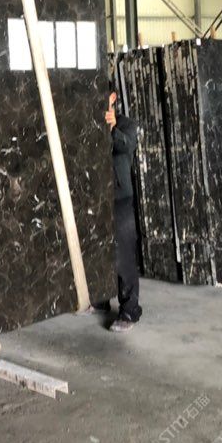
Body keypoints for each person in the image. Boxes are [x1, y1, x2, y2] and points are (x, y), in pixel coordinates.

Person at [89, 92, 143, 332]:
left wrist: (111, 129)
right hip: (97, 199)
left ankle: (130, 311)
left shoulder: (126, 125)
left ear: (113, 98)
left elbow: (126, 146)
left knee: (124, 257)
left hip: (120, 198)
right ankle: (100, 300)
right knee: (99, 250)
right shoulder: (90, 126)